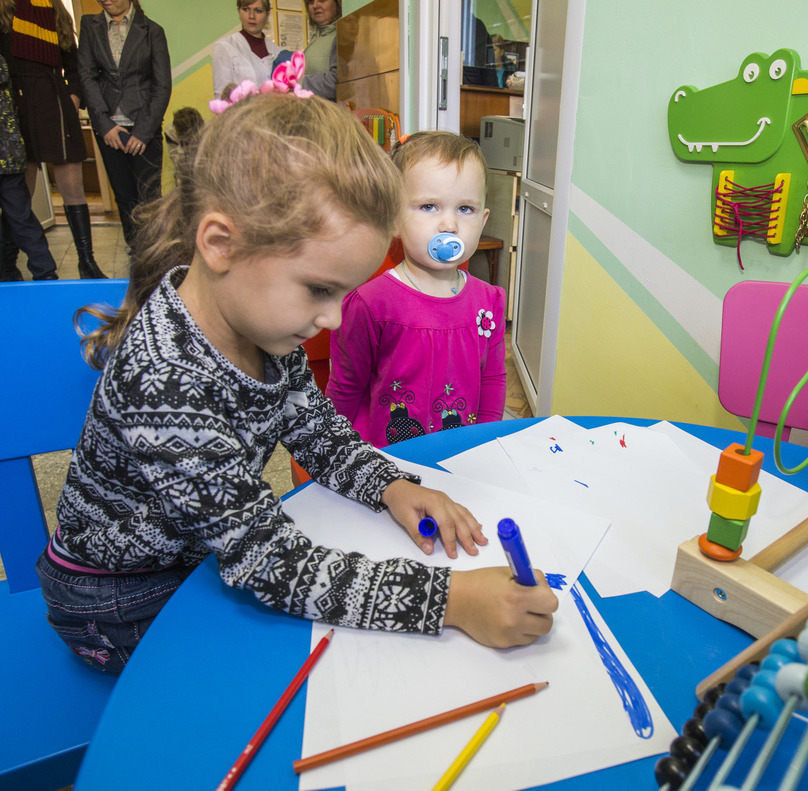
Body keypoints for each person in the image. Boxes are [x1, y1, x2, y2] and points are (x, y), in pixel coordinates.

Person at [35, 93, 557, 675]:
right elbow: (271, 563)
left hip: (200, 556)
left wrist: (393, 485)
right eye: (319, 290)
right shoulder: (164, 380)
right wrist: (452, 601)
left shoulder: (263, 324)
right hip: (115, 600)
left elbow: (318, 434)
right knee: (295, 675)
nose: (333, 320)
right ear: (219, 245)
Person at [328, 131, 505, 447]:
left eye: (465, 209)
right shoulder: (370, 305)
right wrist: (334, 452)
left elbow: (492, 379)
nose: (449, 225)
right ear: (394, 218)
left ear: (483, 220)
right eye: (429, 207)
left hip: (461, 453)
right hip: (389, 459)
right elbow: (346, 388)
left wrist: (486, 441)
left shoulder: (488, 302)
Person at [0, 0, 103, 280]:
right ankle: (7, 263)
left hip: (55, 103)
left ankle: (87, 263)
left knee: (72, 188)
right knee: (19, 196)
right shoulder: (3, 11)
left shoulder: (56, 11)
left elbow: (74, 67)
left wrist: (72, 98)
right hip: (17, 109)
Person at [77, 0, 170, 249]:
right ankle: (136, 256)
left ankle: (154, 258)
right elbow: (86, 76)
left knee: (150, 201)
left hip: (144, 128)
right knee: (124, 199)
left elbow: (162, 86)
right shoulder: (89, 25)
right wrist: (104, 125)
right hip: (109, 129)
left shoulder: (153, 31)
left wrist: (143, 132)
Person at [0, 53, 56, 280]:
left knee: (21, 219)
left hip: (7, 155)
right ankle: (24, 272)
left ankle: (44, 274)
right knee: (21, 218)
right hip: (9, 152)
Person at [211, 0, 279, 99]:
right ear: (239, 11)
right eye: (246, 9)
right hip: (240, 113)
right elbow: (221, 97)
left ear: (267, 14)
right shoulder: (225, 47)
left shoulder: (277, 52)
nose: (251, 16)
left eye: (258, 11)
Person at [301, 0, 339, 101]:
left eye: (322, 0)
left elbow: (338, 82)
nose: (315, 5)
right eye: (310, 1)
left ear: (337, 3)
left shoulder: (341, 36)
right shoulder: (316, 38)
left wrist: (301, 82)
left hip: (331, 114)